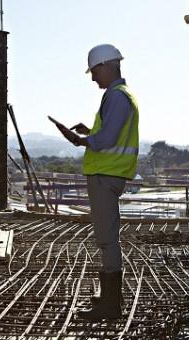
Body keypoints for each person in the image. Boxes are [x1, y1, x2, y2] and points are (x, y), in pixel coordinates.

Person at [54, 44, 139, 321]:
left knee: (107, 239)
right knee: (107, 238)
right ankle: (109, 298)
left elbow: (107, 140)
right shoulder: (122, 97)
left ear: (107, 66)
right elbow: (109, 135)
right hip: (110, 174)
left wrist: (80, 140)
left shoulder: (116, 97)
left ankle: (110, 305)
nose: (93, 78)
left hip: (105, 176)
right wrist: (90, 132)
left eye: (94, 71)